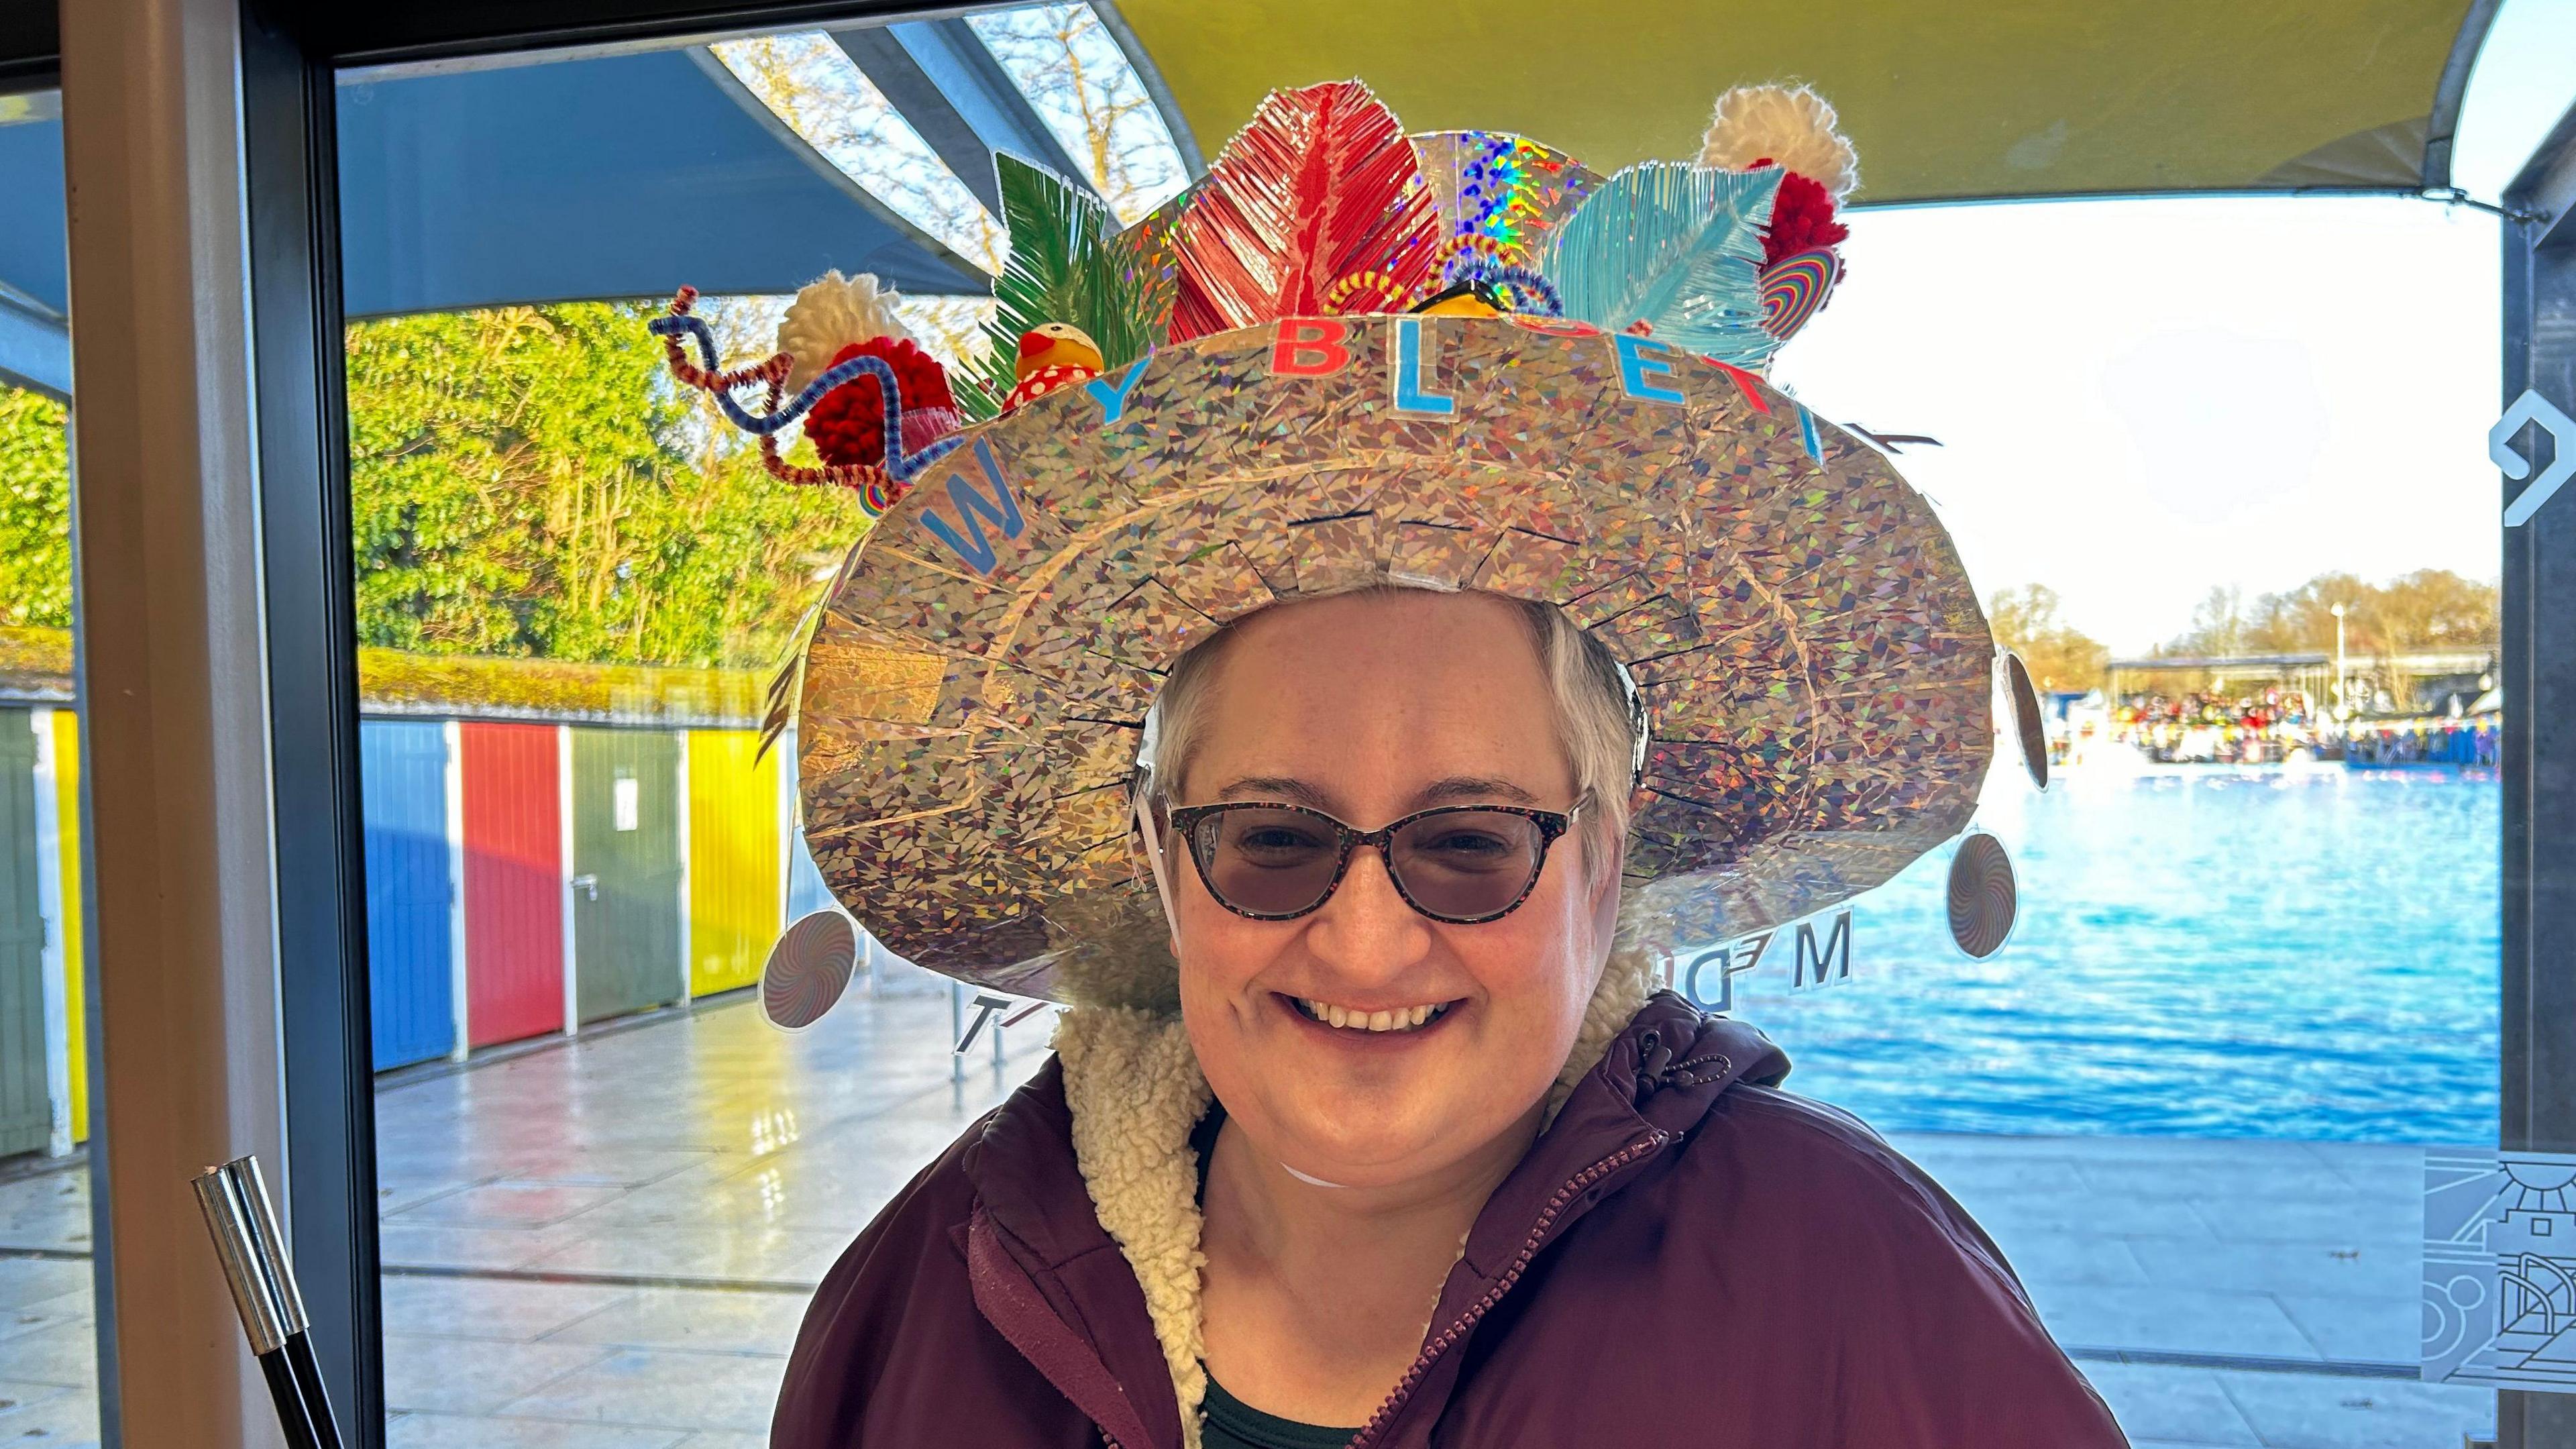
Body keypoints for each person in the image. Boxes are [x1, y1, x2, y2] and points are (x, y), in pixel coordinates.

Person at [665, 78, 2126, 1449]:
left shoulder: (1864, 1308)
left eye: (1472, 842)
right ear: (1159, 858)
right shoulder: (921, 1305)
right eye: (1272, 839)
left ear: (1605, 862)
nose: (1366, 939)